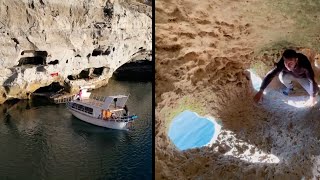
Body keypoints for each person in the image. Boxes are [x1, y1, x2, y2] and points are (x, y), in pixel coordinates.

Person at [253, 49, 319, 107]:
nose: (288, 65)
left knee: (315, 92)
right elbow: (271, 75)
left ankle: (308, 90)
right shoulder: (282, 63)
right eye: (286, 62)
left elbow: (311, 80)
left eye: (290, 62)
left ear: (296, 60)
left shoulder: (304, 63)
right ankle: (290, 88)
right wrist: (261, 91)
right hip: (288, 75)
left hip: (301, 77)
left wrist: (312, 97)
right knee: (282, 77)